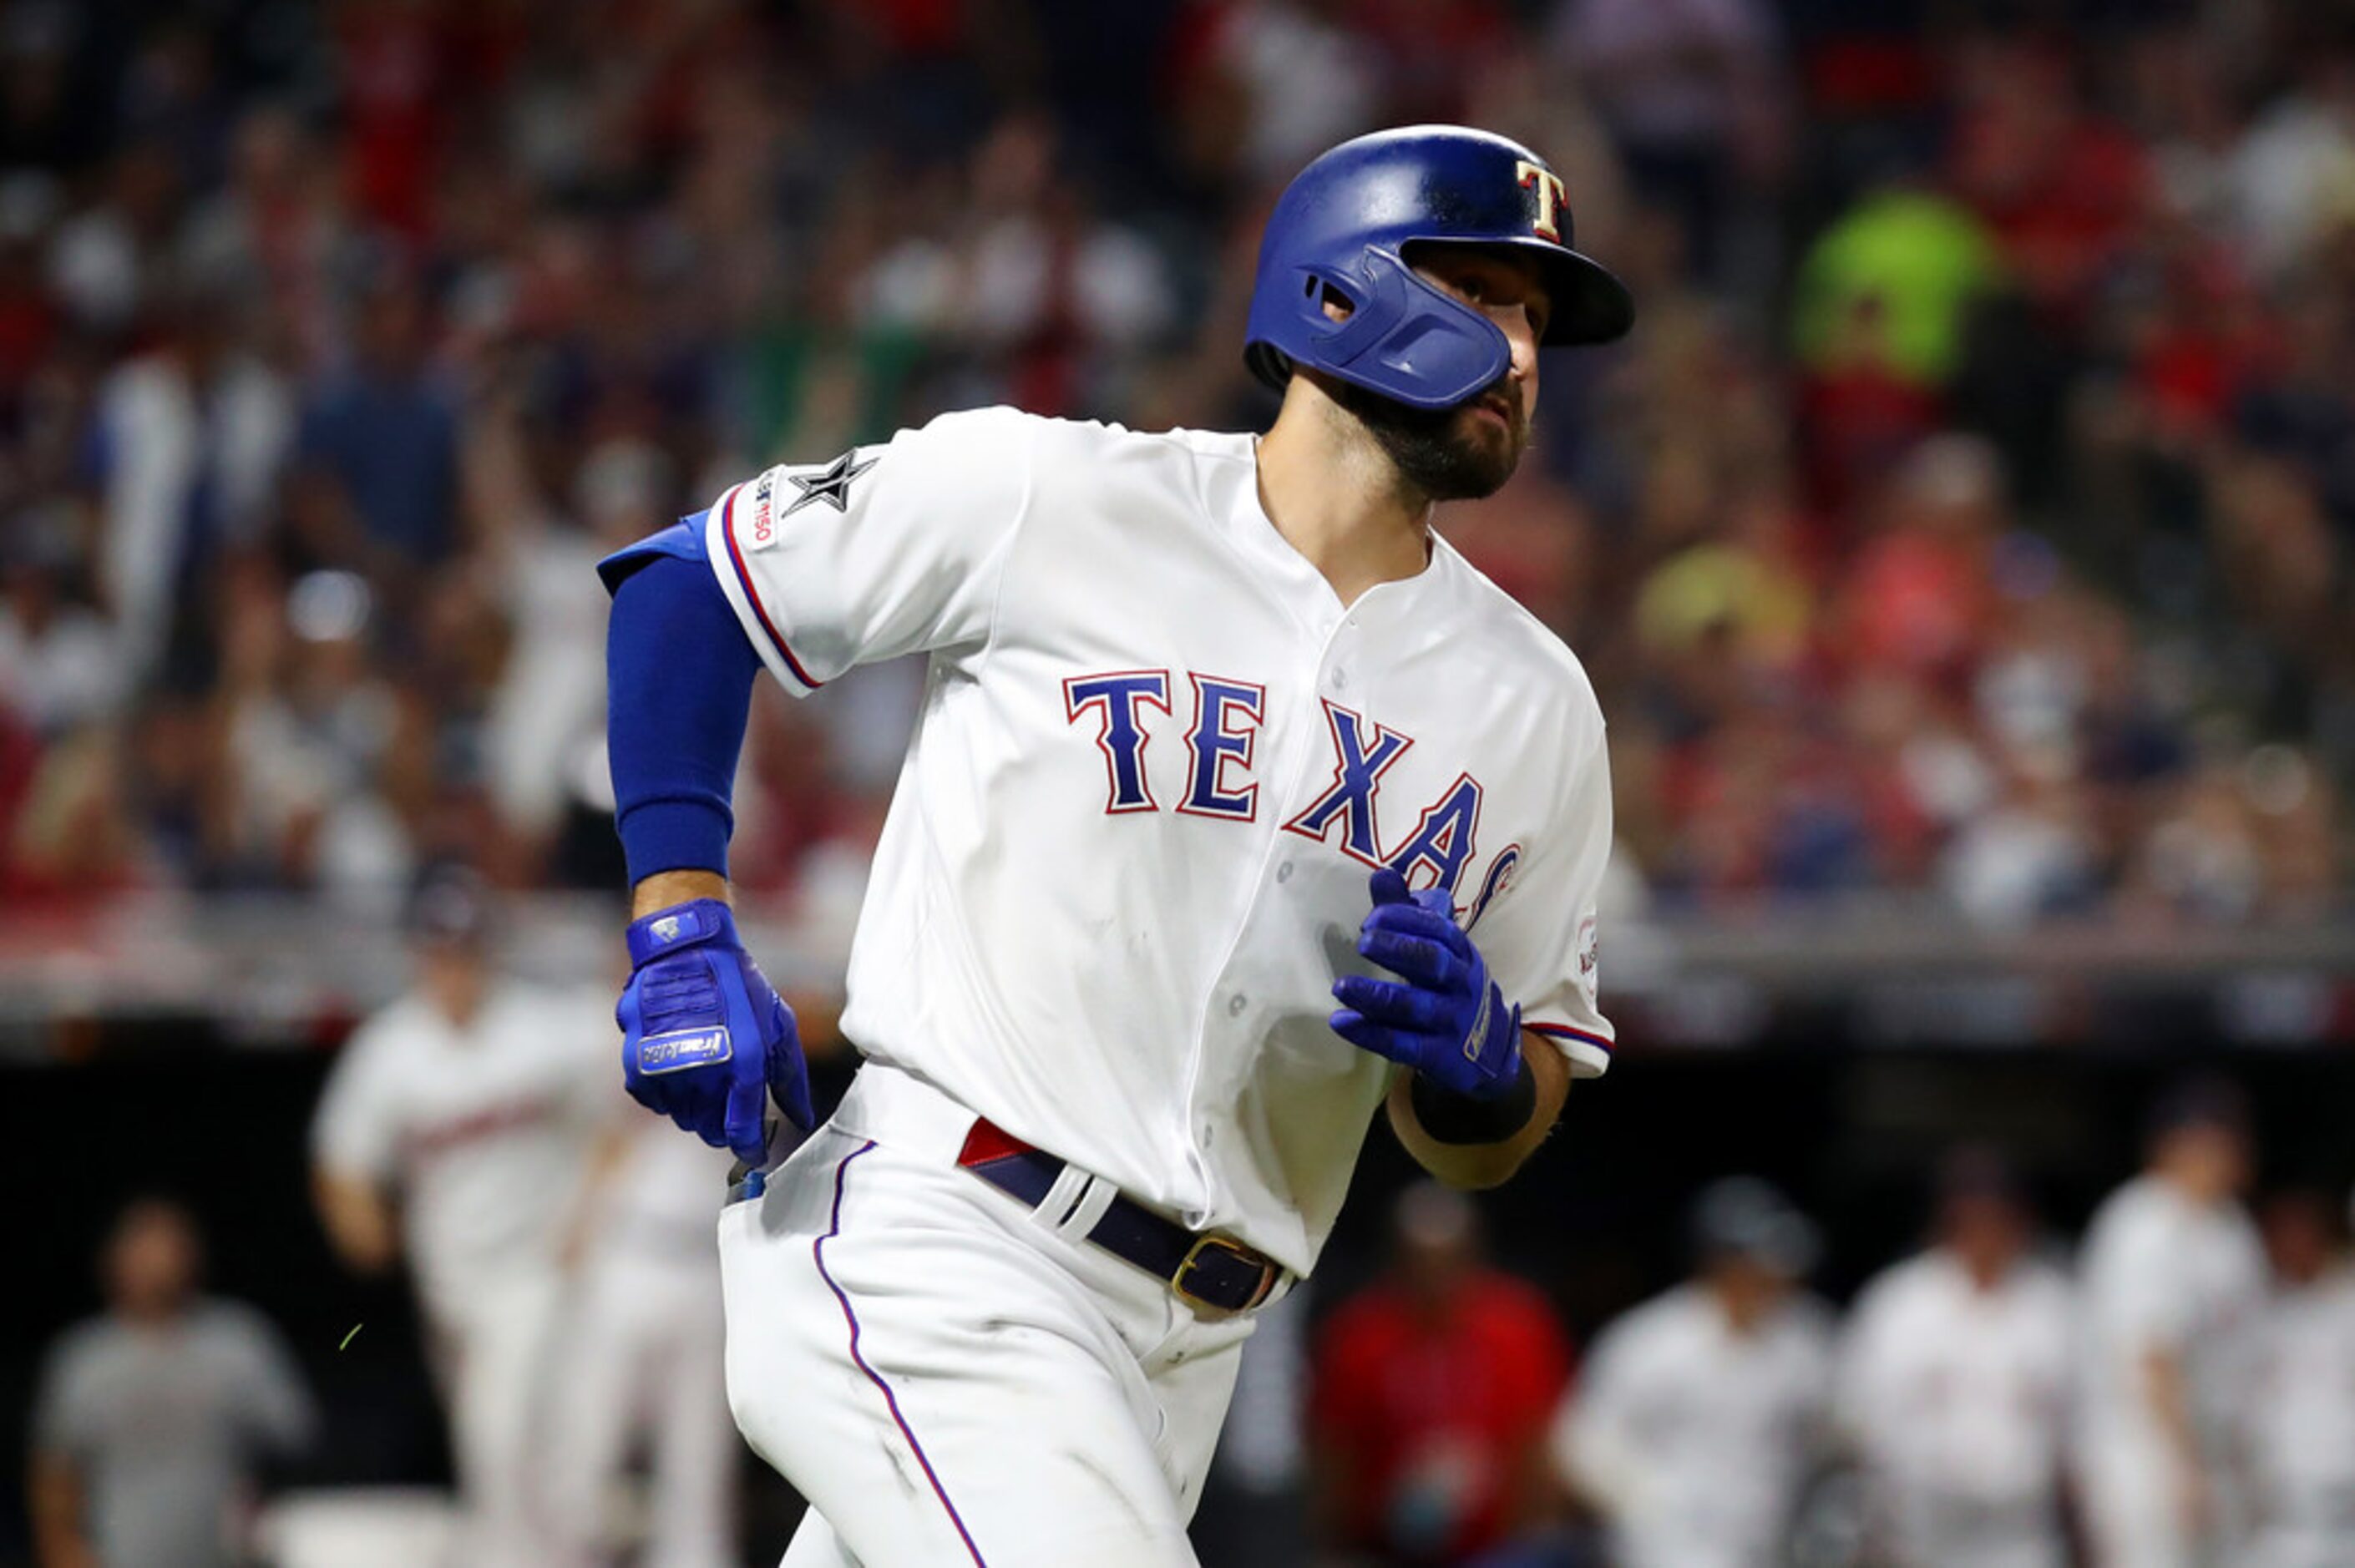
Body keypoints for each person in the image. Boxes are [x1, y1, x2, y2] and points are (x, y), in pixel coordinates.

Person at [598, 124, 1632, 1566]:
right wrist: (680, 920)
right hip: (942, 1242)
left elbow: (1506, 1119)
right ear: (1340, 293)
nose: (1525, 354)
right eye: (1488, 296)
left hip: (1191, 1355)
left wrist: (1472, 1081)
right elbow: (688, 589)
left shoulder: (1535, 704)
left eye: (1540, 321)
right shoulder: (1058, 494)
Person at [308, 865, 612, 1567]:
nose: (453, 964)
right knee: (505, 1451)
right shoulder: (389, 1050)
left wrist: (587, 1219)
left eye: (466, 947)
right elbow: (341, 1158)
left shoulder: (547, 1028)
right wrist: (358, 1219)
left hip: (534, 1270)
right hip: (449, 1290)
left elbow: (615, 1127)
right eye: (440, 948)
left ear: (489, 949)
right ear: (418, 953)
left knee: (499, 1437)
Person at [1552, 1176, 1836, 1568]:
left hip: (1767, 1541)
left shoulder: (1804, 1342)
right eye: (1752, 1263)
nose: (1770, 1278)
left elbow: (1829, 1436)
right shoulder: (1650, 1341)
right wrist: (1640, 1503)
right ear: (1718, 1261)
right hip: (1668, 1547)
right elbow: (1584, 1441)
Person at [27, 1198, 317, 1568]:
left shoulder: (241, 1341)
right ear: (113, 1260)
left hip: (231, 1555)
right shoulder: (83, 1360)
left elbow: (298, 1446)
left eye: (173, 1243)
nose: (160, 1259)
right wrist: (66, 1555)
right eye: (144, 1245)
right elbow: (53, 1475)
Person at [1309, 1181, 1574, 1565]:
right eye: (1418, 1263)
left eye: (1448, 1261)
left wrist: (1533, 1531)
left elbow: (1540, 1440)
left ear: (1473, 1256)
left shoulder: (1518, 1326)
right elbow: (1334, 1452)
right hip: (1385, 1543)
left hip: (1499, 1545)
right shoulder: (1359, 1335)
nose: (1434, 1279)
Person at [1836, 1150, 2075, 1568]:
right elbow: (1859, 1418)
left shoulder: (2055, 1305)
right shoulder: (1898, 1302)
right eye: (1970, 1217)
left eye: (1997, 1216)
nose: (1984, 1230)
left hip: (2020, 1529)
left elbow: (2083, 1426)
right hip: (1923, 1525)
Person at [2074, 1078, 2267, 1568]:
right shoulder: (2145, 1224)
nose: (2226, 1153)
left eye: (2230, 1138)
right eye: (2211, 1139)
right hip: (2148, 1453)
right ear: (2170, 1145)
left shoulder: (2228, 1226)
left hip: (2214, 1449)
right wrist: (2184, 1469)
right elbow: (2152, 1357)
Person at [539, 1108, 742, 1568]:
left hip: (709, 1258)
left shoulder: (759, 1044)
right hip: (629, 1247)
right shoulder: (625, 1042)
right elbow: (606, 1126)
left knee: (700, 1459)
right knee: (588, 1445)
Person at [2236, 1186, 2355, 1568]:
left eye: (2303, 1230)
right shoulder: (2252, 1311)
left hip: (2345, 1514)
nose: (2293, 1243)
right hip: (2276, 1522)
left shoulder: (2347, 1303)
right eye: (2281, 1233)